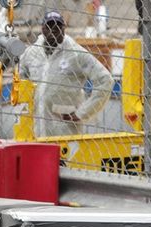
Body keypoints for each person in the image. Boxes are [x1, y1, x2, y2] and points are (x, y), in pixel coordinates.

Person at [18, 10, 114, 138]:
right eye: (49, 26)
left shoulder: (75, 53)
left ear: (64, 29)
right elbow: (20, 76)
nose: (54, 30)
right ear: (42, 29)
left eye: (58, 26)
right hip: (35, 130)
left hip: (65, 134)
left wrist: (82, 113)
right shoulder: (32, 53)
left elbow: (105, 80)